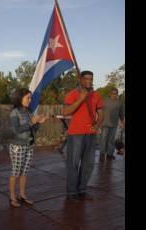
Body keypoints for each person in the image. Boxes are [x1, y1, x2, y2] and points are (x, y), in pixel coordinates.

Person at [62, 70, 103, 201]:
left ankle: (82, 190)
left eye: (91, 79)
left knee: (88, 164)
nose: (89, 81)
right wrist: (80, 99)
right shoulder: (72, 94)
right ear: (80, 79)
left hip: (91, 134)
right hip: (76, 134)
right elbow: (65, 111)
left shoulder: (96, 95)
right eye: (86, 79)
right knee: (73, 164)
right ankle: (72, 192)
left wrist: (96, 126)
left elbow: (101, 114)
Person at [8, 88, 47, 208]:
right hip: (18, 146)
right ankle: (12, 197)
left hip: (29, 145)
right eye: (28, 98)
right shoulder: (15, 112)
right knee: (16, 172)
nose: (30, 100)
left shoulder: (29, 112)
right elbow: (15, 131)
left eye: (30, 98)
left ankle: (22, 195)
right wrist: (32, 122)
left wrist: (39, 122)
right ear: (20, 98)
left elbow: (33, 129)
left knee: (24, 172)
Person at [99, 87, 124, 160]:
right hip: (105, 124)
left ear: (117, 94)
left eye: (116, 94)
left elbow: (121, 113)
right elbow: (99, 110)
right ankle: (102, 154)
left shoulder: (119, 102)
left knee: (111, 140)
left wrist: (122, 122)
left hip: (114, 124)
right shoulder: (104, 100)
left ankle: (110, 154)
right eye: (113, 93)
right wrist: (98, 121)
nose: (114, 95)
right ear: (110, 94)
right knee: (103, 140)